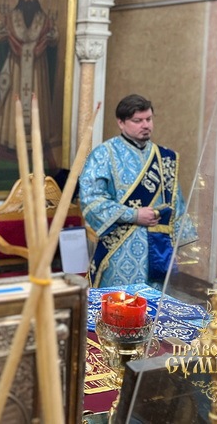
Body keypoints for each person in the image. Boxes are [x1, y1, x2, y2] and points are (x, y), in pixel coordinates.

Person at [79, 94, 197, 288]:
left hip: (159, 249)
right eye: (137, 121)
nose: (145, 125)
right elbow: (91, 200)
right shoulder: (103, 154)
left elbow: (176, 202)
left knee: (154, 302)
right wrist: (133, 215)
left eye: (148, 119)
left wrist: (178, 246)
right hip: (119, 249)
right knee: (119, 301)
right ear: (121, 123)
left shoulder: (164, 157)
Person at [0, 0, 59, 161]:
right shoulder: (11, 17)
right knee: (13, 100)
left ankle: (37, 140)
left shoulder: (44, 19)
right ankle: (11, 139)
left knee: (37, 97)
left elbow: (54, 37)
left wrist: (53, 37)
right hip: (16, 70)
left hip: (37, 70)